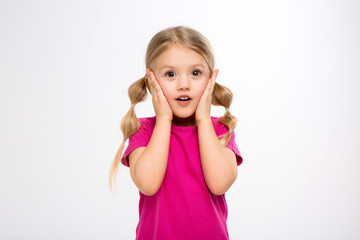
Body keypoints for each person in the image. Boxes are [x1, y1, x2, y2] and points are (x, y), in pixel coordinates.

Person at [109, 26, 243, 240]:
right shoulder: (144, 130)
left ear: (211, 80)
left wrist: (202, 120)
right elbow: (148, 184)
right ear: (151, 82)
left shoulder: (219, 129)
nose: (184, 85)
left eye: (196, 73)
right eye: (170, 74)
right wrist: (164, 119)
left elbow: (220, 184)